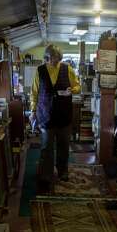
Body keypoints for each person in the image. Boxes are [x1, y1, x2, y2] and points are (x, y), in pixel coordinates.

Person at [29, 44, 80, 191]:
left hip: (64, 116)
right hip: (45, 116)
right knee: (46, 148)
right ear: (47, 57)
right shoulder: (40, 71)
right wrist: (32, 111)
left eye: (59, 59)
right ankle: (46, 175)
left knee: (64, 146)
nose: (57, 62)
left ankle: (63, 171)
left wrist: (72, 90)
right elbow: (34, 93)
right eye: (54, 59)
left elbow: (78, 87)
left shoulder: (67, 69)